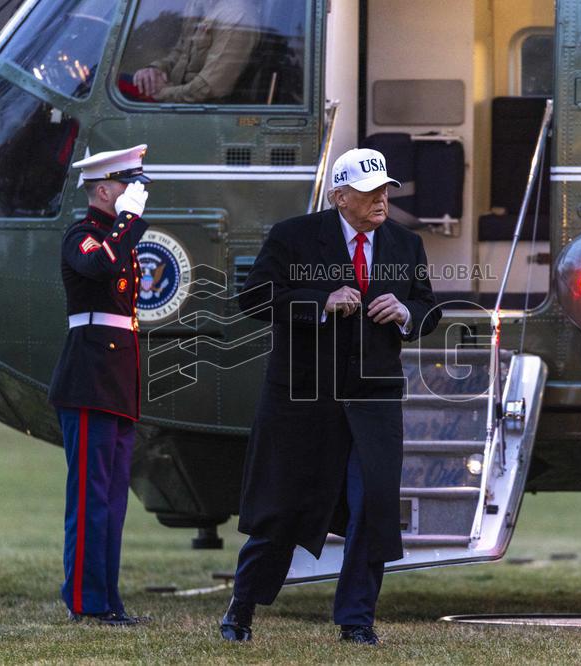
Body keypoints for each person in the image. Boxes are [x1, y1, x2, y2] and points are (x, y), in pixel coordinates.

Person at [219, 148, 442, 644]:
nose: (381, 198)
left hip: (374, 400)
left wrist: (405, 312)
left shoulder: (406, 244)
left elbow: (429, 309)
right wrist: (321, 302)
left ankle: (356, 621)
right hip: (302, 400)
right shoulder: (293, 236)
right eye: (369, 192)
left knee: (373, 507)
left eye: (385, 189)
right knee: (282, 509)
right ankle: (242, 607)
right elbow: (254, 297)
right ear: (340, 197)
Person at [48, 145, 152, 626]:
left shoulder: (114, 236)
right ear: (106, 189)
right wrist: (128, 222)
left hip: (116, 381)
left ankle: (107, 598)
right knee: (90, 496)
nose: (136, 193)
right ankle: (86, 601)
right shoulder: (83, 236)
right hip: (89, 379)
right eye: (129, 184)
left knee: (111, 498)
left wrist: (126, 224)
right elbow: (100, 266)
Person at [131, 0, 259, 103]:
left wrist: (162, 92)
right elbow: (180, 52)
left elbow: (210, 88)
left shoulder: (237, 15)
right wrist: (155, 70)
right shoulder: (197, 4)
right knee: (124, 84)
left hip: (205, 115)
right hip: (177, 98)